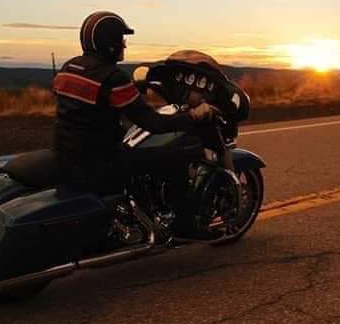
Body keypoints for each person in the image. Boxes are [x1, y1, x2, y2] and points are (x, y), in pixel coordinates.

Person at [52, 11, 217, 199]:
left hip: (67, 156)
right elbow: (153, 123)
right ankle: (183, 217)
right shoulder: (112, 77)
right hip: (100, 163)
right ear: (109, 43)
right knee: (179, 155)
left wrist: (133, 91)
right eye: (120, 38)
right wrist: (194, 115)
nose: (124, 44)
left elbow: (90, 107)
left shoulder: (69, 68)